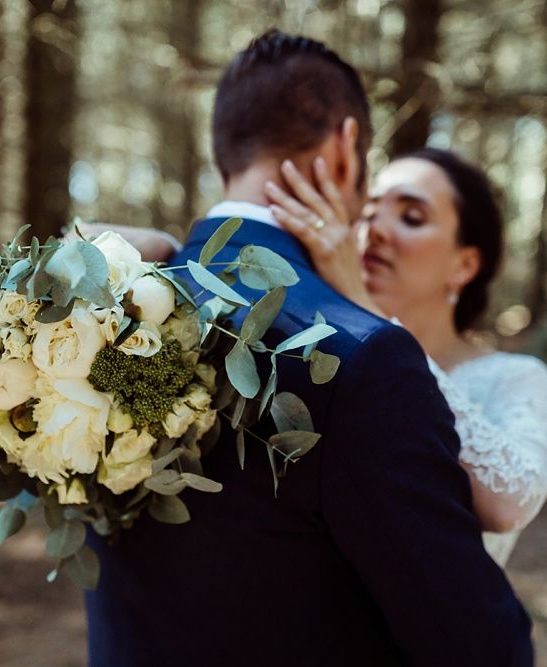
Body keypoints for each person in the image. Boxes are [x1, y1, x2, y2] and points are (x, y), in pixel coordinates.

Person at [84, 30, 534, 666]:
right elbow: (479, 645)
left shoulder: (90, 319)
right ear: (347, 151)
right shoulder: (360, 354)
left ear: (223, 160)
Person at [265, 147, 547, 567]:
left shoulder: (516, 378)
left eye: (411, 217)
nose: (374, 232)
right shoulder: (318, 360)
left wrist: (367, 309)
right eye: (369, 213)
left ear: (464, 266)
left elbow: (509, 503)